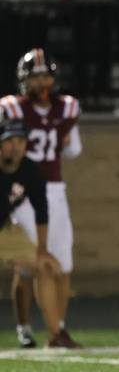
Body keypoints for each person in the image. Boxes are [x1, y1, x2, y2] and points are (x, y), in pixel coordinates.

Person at [1, 49, 82, 349]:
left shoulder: (67, 108)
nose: (40, 82)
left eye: (44, 76)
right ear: (23, 81)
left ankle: (57, 328)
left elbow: (74, 151)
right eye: (33, 77)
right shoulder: (10, 108)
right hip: (18, 191)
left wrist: (65, 141)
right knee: (32, 264)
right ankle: (33, 329)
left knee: (62, 263)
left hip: (53, 189)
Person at [0, 118, 65, 347]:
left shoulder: (30, 170)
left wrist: (43, 249)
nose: (16, 146)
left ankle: (55, 334)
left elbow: (41, 210)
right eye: (10, 141)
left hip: (4, 229)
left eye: (21, 141)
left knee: (44, 266)